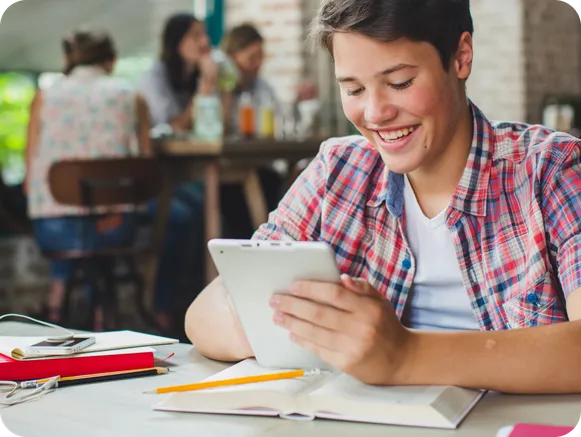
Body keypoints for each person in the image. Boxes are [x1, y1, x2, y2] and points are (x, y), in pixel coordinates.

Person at [184, 0, 581, 395]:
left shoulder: (549, 170)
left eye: (400, 83)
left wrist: (403, 355)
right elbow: (205, 313)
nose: (374, 113)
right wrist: (310, 333)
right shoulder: (337, 172)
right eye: (353, 88)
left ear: (461, 57)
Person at [25, 30, 151, 329]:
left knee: (72, 215)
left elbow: (32, 173)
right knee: (100, 221)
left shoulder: (46, 96)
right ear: (111, 60)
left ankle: (56, 304)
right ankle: (102, 317)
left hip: (55, 231)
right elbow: (146, 167)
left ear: (68, 59)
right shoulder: (131, 96)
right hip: (115, 229)